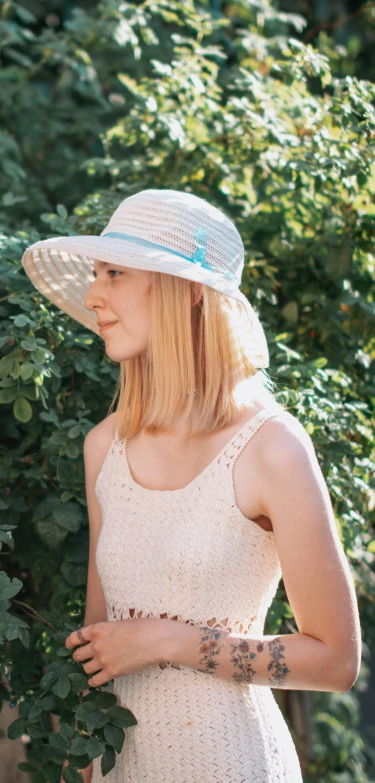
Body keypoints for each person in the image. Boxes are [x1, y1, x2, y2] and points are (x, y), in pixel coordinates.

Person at [21, 189, 362, 783]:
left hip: (231, 763)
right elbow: (101, 641)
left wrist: (168, 642)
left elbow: (335, 661)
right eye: (96, 275)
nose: (93, 294)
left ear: (189, 293)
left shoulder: (271, 448)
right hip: (119, 766)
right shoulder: (105, 447)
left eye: (115, 273)